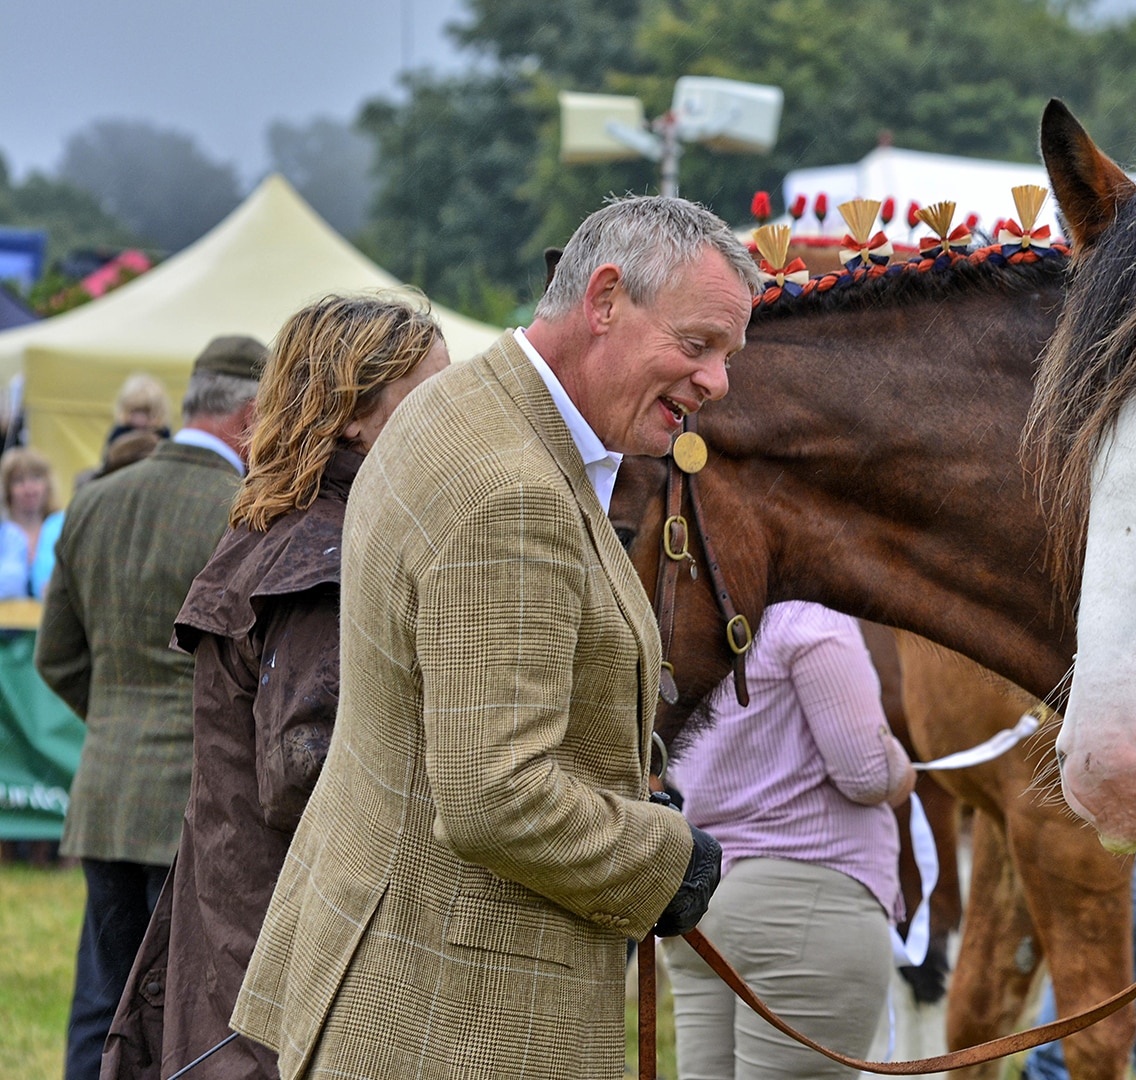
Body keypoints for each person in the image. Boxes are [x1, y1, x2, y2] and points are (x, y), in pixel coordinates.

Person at [233, 196, 756, 1080]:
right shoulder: (510, 489)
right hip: (452, 1017)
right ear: (603, 300)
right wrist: (664, 859)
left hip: (400, 980)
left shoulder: (459, 405)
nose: (717, 382)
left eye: (728, 356)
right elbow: (497, 796)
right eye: (698, 345)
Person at [99, 296, 449, 1080]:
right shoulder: (322, 555)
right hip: (282, 971)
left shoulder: (292, 528)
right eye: (428, 397)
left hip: (244, 946)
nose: (447, 419)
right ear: (355, 415)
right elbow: (310, 777)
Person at [37, 335, 266, 1080]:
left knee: (100, 1004)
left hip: (104, 793)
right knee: (193, 1021)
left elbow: (57, 658)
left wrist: (114, 723)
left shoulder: (93, 501)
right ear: (249, 415)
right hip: (200, 804)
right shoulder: (245, 513)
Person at [662, 601, 917, 1080]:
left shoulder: (683, 620)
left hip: (708, 907)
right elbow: (866, 774)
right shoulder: (807, 618)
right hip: (806, 907)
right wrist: (903, 771)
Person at [1024, 856, 1136, 1080]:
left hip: (1132, 834)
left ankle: (1046, 1069)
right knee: (1108, 937)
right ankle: (1048, 1069)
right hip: (1090, 831)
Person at [0, 447, 59, 598]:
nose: (29, 488)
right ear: (7, 489)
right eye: (19, 481)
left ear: (47, 485)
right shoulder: (3, 533)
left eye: (36, 478)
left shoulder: (61, 529)